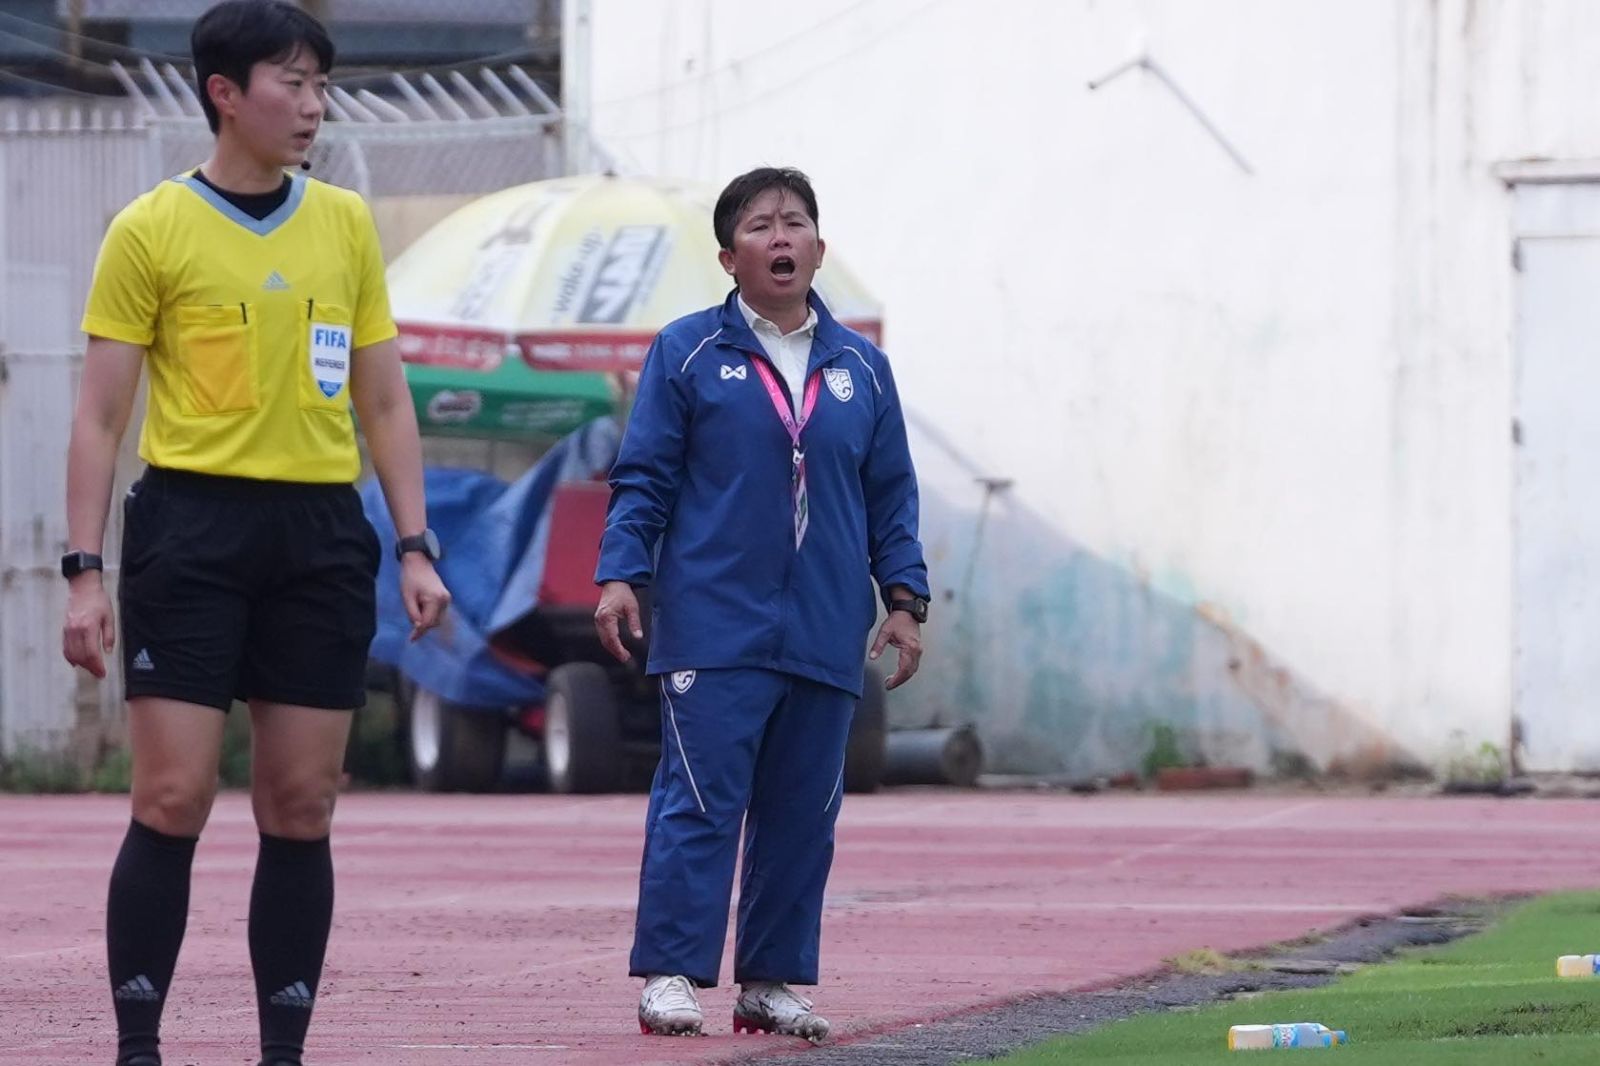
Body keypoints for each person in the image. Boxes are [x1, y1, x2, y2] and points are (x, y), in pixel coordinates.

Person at [60, 4, 449, 1064]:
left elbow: (384, 400)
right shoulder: (150, 228)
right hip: (190, 528)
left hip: (318, 534)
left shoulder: (347, 223)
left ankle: (283, 1051)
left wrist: (415, 545)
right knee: (173, 795)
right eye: (293, 83)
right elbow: (99, 416)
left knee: (301, 802)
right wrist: (84, 573)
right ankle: (139, 1046)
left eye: (323, 84)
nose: (315, 105)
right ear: (225, 93)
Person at [594, 166, 931, 1042]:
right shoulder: (688, 353)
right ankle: (671, 973)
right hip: (714, 623)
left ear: (819, 248)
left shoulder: (863, 368)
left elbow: (890, 495)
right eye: (760, 225)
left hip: (823, 626)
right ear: (728, 257)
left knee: (802, 815)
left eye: (795, 223)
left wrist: (904, 599)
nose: (781, 237)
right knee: (700, 801)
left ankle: (770, 982)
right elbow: (644, 475)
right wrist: (621, 573)